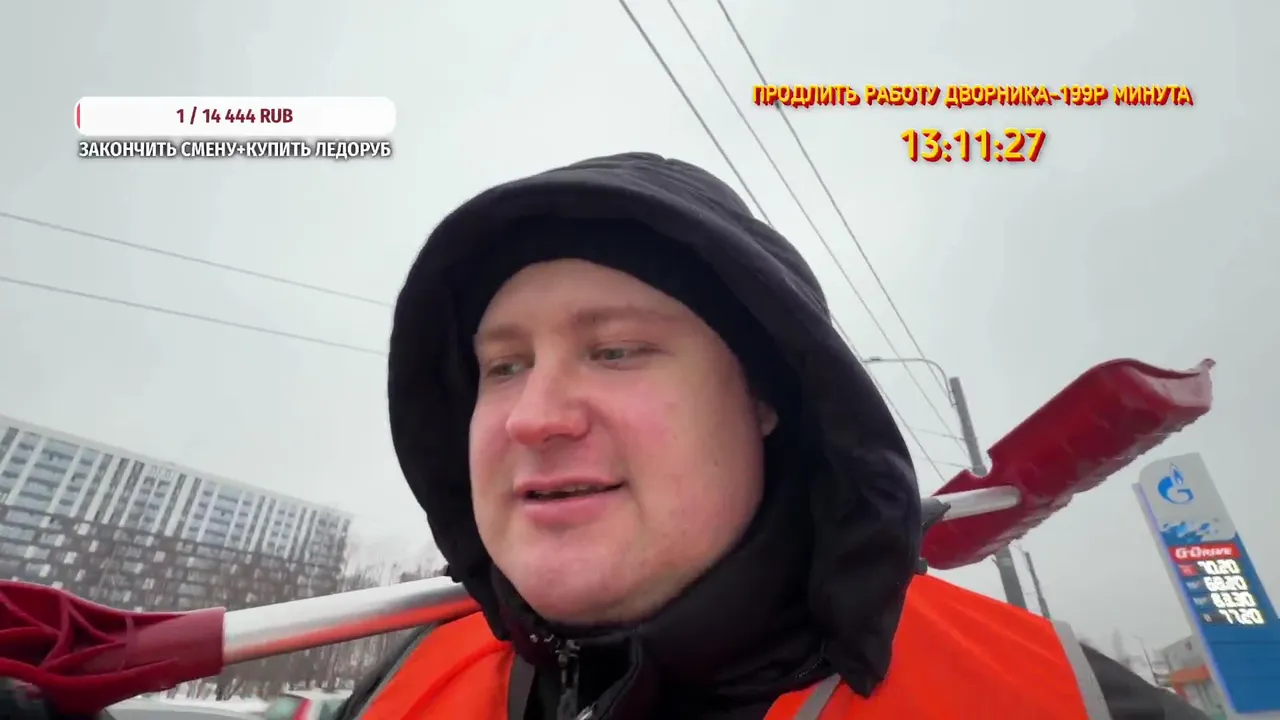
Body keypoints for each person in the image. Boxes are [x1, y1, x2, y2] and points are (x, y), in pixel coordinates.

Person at [1, 153, 1209, 720]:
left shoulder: (1053, 702)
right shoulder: (409, 691)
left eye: (618, 349)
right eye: (501, 365)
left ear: (770, 397)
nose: (533, 415)